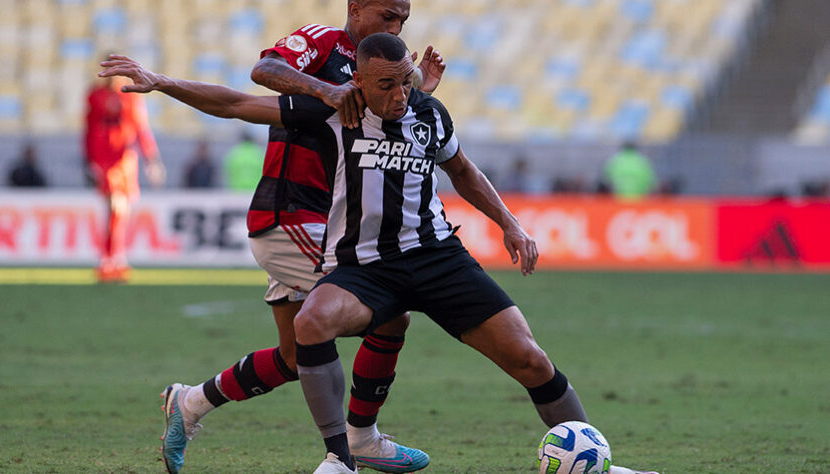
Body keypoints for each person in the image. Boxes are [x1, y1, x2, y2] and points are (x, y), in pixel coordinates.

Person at [100, 34, 655, 474]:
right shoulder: (333, 110)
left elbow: (462, 170)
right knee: (313, 322)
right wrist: (162, 82)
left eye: (404, 83)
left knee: (531, 359)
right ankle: (343, 457)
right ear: (358, 81)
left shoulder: (430, 113)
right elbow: (239, 102)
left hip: (438, 257)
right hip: (367, 266)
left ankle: (596, 465)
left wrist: (509, 223)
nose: (398, 96)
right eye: (385, 86)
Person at [105, 2, 444, 473]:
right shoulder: (325, 46)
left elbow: (394, 126)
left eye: (403, 20)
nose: (396, 27)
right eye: (388, 15)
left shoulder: (380, 69)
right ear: (356, 7)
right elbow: (255, 81)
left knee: (292, 357)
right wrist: (162, 81)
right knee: (390, 312)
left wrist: (418, 88)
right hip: (292, 218)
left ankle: (189, 404)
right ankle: (358, 443)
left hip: (326, 222)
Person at [84, 73, 165, 282]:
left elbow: (140, 127)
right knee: (115, 206)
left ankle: (113, 259)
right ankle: (110, 259)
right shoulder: (95, 95)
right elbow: (89, 128)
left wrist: (152, 159)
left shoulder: (130, 94)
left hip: (125, 158)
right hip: (104, 158)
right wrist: (88, 161)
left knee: (121, 211)